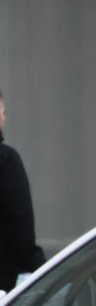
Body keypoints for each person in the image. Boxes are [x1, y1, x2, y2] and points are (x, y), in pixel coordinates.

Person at [0, 90, 40, 292]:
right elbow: (19, 219)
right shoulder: (6, 159)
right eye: (3, 112)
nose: (4, 118)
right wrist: (36, 267)